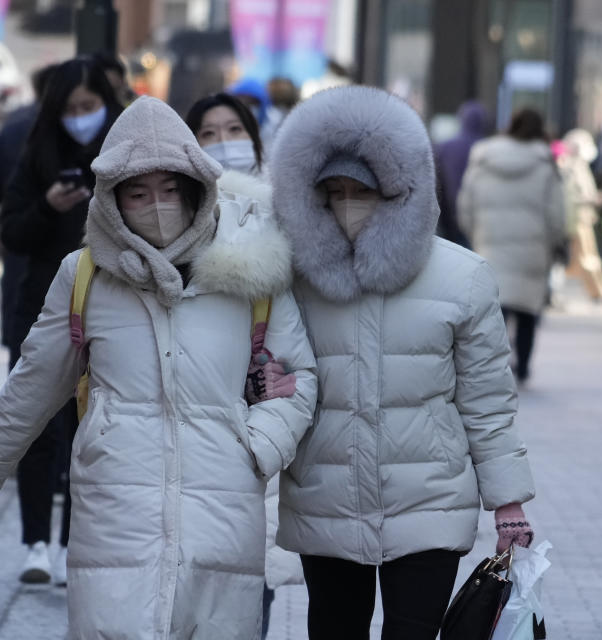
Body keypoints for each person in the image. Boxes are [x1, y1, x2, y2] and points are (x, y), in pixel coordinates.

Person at [0, 96, 317, 638]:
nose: (158, 206)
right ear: (112, 198)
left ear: (197, 188)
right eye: (139, 193)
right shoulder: (84, 277)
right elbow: (35, 380)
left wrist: (254, 448)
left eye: (171, 189)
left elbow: (294, 378)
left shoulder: (251, 271)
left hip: (222, 513)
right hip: (114, 510)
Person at [270, 85, 536, 639]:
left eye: (361, 191)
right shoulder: (289, 277)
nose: (347, 205)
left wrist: (507, 503)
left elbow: (487, 401)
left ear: (398, 191)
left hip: (430, 501)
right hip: (327, 496)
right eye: (333, 192)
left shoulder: (462, 277)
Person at [0, 57, 123, 585]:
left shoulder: (124, 155)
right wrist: (50, 206)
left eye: (89, 107)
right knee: (38, 429)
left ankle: (77, 544)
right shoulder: (36, 154)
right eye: (70, 108)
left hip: (108, 310)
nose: (80, 117)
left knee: (88, 433)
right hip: (43, 308)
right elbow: (12, 233)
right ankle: (35, 544)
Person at [185, 92, 303, 640]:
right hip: (198, 412)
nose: (223, 143)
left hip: (265, 416)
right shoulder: (174, 217)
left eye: (234, 130)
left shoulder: (289, 215)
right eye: (208, 133)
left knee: (252, 572)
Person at [458, 108, 567, 383]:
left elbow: (466, 204)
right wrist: (552, 242)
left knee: (495, 307)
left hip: (490, 243)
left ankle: (494, 364)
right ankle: (524, 365)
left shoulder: (484, 157)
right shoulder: (545, 163)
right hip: (532, 247)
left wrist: (476, 234)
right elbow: (557, 214)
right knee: (528, 309)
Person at [0, 62, 57, 351]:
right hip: (68, 260)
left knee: (22, 349)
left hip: (19, 255)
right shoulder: (81, 137)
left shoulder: (14, 129)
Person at [557, 128, 602, 301]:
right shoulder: (569, 168)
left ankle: (600, 290)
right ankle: (599, 291)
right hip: (577, 220)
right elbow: (572, 196)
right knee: (585, 258)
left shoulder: (577, 166)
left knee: (584, 257)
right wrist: (590, 200)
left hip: (581, 219)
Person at [433, 100, 489, 247]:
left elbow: (438, 184)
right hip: (481, 221)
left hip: (450, 218)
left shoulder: (445, 147)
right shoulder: (488, 149)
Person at [186, 93, 263, 175]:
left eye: (234, 128)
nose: (224, 140)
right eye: (209, 133)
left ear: (253, 135)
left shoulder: (275, 185)